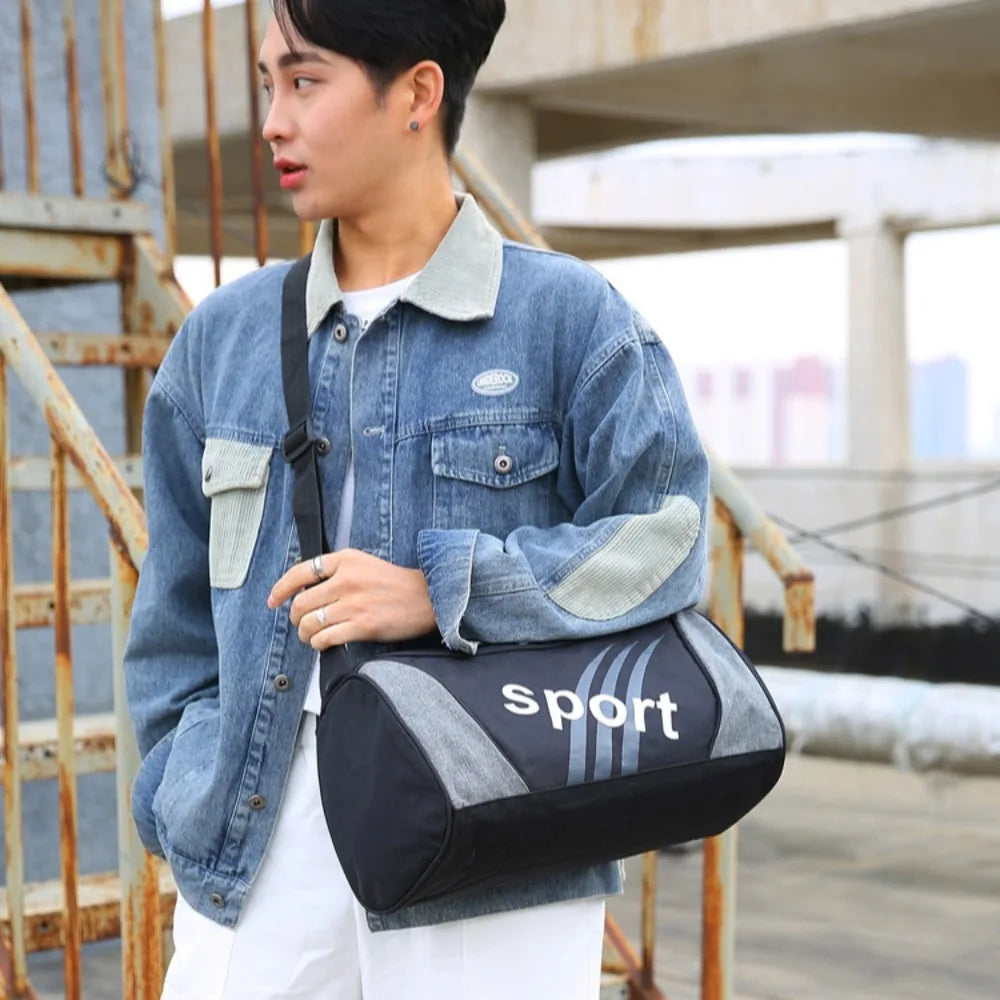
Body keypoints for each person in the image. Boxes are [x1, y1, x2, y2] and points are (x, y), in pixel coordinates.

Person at [124, 1, 710, 997]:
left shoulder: (567, 321)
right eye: (269, 82)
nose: (272, 118)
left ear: (418, 94)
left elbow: (667, 540)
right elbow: (173, 620)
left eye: (304, 80)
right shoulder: (219, 342)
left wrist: (444, 588)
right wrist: (185, 784)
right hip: (259, 839)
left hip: (497, 850)